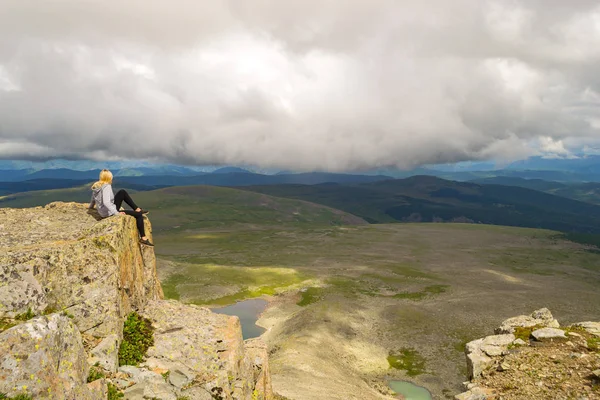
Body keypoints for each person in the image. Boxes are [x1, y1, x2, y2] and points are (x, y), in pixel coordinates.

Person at [89, 169, 154, 246]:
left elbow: (93, 198)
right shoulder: (106, 186)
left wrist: (91, 207)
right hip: (108, 213)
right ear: (109, 178)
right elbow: (106, 202)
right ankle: (143, 238)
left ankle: (137, 208)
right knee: (139, 215)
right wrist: (117, 213)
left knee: (122, 192)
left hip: (103, 211)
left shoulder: (97, 185)